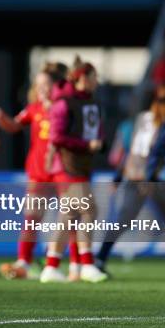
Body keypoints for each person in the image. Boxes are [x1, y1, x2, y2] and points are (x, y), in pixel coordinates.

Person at [96, 82, 165, 280]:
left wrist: (118, 177)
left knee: (122, 220)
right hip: (155, 179)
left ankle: (99, 261)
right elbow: (157, 150)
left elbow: (132, 150)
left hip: (133, 175)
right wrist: (149, 179)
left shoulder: (144, 117)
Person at [0, 63, 66, 279]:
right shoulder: (34, 108)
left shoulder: (64, 107)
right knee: (31, 218)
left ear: (56, 86)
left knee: (70, 218)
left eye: (46, 85)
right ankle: (24, 261)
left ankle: (71, 264)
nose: (42, 89)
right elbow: (13, 126)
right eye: (39, 85)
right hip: (38, 173)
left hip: (61, 171)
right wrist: (0, 115)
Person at [39, 57, 107, 284]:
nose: (97, 81)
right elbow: (56, 137)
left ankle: (51, 266)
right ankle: (86, 264)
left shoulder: (93, 102)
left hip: (82, 165)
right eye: (94, 77)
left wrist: (98, 142)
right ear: (83, 79)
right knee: (89, 211)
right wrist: (86, 145)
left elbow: (96, 129)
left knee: (68, 216)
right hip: (67, 166)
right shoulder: (64, 103)